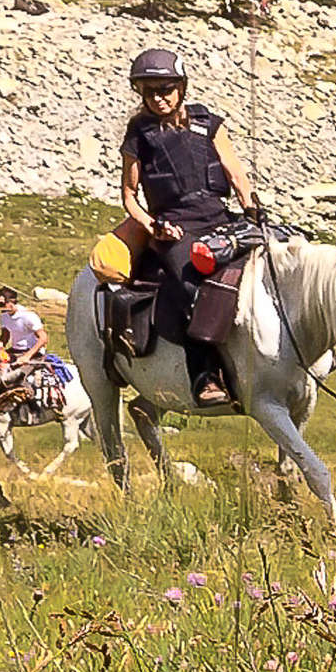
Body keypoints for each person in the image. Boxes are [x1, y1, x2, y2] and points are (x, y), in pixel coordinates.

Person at [118, 48, 260, 405]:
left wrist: (251, 208)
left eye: (165, 88)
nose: (158, 98)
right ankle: (204, 376)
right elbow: (129, 195)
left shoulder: (208, 122)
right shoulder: (138, 133)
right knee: (189, 283)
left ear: (181, 86)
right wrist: (154, 227)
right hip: (175, 229)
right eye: (149, 91)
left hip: (220, 218)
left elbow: (235, 172)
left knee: (275, 261)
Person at [0, 287, 48, 362]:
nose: (1, 307)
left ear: (12, 301)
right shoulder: (4, 316)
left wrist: (28, 356)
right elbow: (5, 335)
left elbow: (43, 338)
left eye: (3, 303)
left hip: (32, 351)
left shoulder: (27, 315)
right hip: (16, 350)